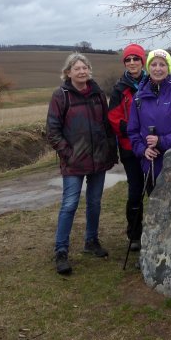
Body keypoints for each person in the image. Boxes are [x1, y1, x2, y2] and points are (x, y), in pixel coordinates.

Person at [46, 53, 117, 275]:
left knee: (94, 202)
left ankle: (91, 241)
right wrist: (68, 153)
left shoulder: (97, 94)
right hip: (74, 162)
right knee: (69, 205)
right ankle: (61, 251)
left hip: (98, 160)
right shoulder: (61, 96)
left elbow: (106, 127)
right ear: (68, 73)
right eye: (77, 68)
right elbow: (52, 130)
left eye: (85, 67)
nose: (82, 71)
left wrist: (110, 152)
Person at [127, 49, 171, 196]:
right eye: (153, 64)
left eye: (162, 65)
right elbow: (133, 130)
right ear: (148, 67)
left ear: (169, 68)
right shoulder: (139, 97)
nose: (157, 68)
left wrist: (162, 141)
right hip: (150, 164)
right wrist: (142, 150)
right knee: (155, 207)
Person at [107, 43, 147, 252]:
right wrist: (134, 129)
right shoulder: (119, 88)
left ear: (143, 61)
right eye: (128, 59)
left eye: (136, 59)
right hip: (129, 147)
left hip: (151, 146)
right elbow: (113, 118)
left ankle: (157, 229)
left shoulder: (153, 83)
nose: (132, 63)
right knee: (135, 191)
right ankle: (134, 233)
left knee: (154, 188)